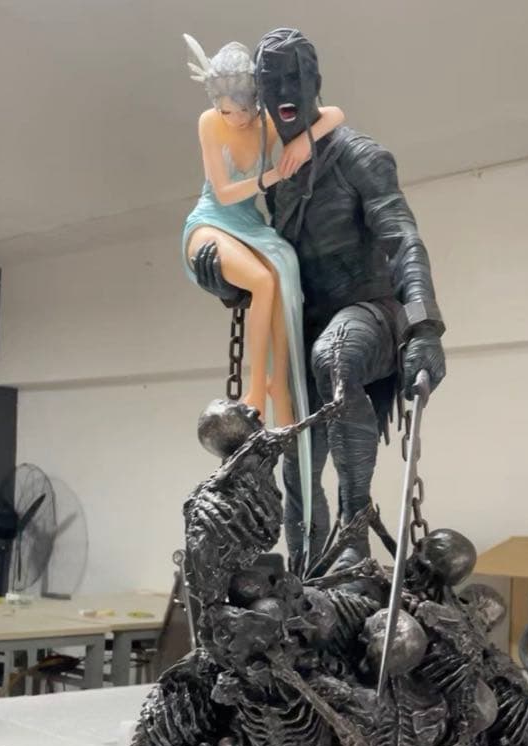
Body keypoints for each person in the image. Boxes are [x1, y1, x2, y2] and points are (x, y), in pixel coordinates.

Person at [191, 28, 446, 569]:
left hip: (372, 312)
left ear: (315, 82)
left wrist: (425, 327)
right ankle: (307, 566)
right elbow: (274, 264)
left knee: (335, 353)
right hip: (306, 320)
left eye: (295, 77)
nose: (284, 90)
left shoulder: (358, 156)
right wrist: (228, 286)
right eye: (272, 81)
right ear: (260, 91)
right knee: (293, 443)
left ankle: (354, 532)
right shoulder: (278, 170)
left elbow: (403, 237)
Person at [182, 35, 345, 547]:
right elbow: (224, 191)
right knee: (259, 280)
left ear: (255, 101)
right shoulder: (209, 123)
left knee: (280, 272)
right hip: (212, 222)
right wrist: (276, 172)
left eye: (240, 109)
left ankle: (278, 388)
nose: (232, 117)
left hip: (252, 227)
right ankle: (255, 390)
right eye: (224, 109)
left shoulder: (269, 121)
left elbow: (334, 114)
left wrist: (300, 142)